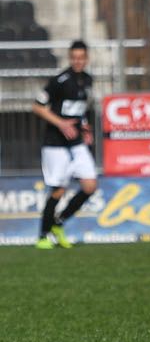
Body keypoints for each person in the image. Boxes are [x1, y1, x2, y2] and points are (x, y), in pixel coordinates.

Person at [32, 40, 97, 250]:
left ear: (86, 59)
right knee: (58, 190)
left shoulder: (87, 80)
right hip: (55, 144)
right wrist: (61, 123)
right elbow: (37, 107)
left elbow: (80, 109)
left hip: (76, 143)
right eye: (74, 58)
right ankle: (43, 235)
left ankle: (58, 223)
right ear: (70, 58)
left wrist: (85, 128)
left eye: (81, 58)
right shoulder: (59, 81)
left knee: (90, 186)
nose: (78, 61)